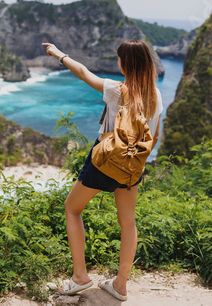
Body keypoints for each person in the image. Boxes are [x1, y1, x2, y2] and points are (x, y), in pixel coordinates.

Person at [41, 40, 163, 301]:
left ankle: (80, 277)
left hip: (105, 160)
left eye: (119, 59)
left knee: (72, 209)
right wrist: (134, 162)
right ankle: (120, 285)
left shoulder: (118, 90)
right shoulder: (155, 96)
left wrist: (59, 54)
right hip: (133, 165)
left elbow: (84, 73)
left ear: (125, 64)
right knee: (128, 223)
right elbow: (156, 136)